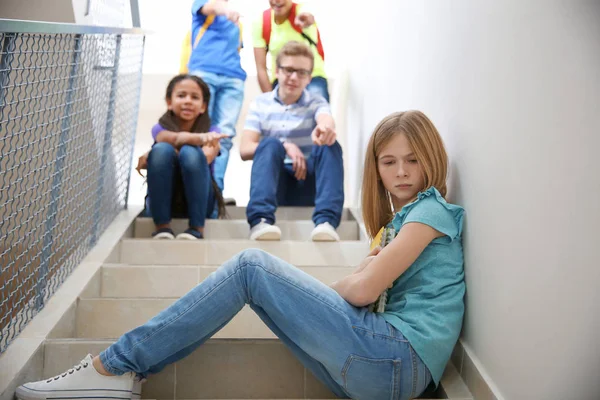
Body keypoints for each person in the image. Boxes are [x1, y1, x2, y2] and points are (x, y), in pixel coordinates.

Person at [16, 110, 466, 400]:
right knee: (257, 287)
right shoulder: (394, 226)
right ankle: (124, 373)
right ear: (377, 168)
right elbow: (357, 290)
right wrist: (350, 287)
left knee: (252, 266)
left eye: (412, 159)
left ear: (431, 158)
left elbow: (362, 288)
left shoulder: (430, 210)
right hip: (379, 366)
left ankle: (114, 366)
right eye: (389, 161)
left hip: (392, 359)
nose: (402, 171)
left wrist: (351, 286)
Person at [241, 41, 343, 241]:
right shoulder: (260, 104)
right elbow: (245, 149)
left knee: (329, 144)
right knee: (270, 144)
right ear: (277, 71)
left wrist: (325, 128)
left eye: (302, 72)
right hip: (276, 184)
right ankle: (261, 221)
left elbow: (325, 118)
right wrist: (285, 146)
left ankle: (326, 222)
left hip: (309, 184)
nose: (294, 77)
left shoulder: (316, 102)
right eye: (288, 70)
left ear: (309, 78)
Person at [137, 74, 227, 240]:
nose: (188, 101)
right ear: (169, 102)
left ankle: (197, 228)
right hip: (166, 198)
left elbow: (204, 159)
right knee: (163, 150)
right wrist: (198, 140)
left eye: (194, 97)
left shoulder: (213, 131)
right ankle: (162, 227)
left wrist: (153, 155)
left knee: (190, 153)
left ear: (203, 107)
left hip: (199, 201)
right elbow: (169, 140)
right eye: (181, 96)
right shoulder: (159, 129)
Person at [186, 0, 246, 192]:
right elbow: (212, 7)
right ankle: (194, 188)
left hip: (233, 79)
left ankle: (214, 191)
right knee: (199, 131)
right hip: (204, 73)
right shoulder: (204, 6)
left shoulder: (237, 23)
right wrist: (226, 11)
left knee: (224, 136)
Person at [253, 0, 330, 101]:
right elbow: (261, 68)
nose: (277, 1)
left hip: (312, 77)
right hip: (282, 80)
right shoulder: (262, 21)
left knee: (317, 108)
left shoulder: (301, 11)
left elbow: (308, 15)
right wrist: (270, 101)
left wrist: (306, 19)